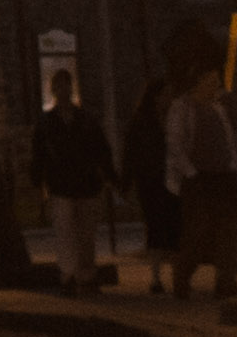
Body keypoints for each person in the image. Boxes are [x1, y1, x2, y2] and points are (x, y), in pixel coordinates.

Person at [166, 62, 237, 301]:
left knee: (227, 230)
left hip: (222, 176)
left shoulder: (218, 108)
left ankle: (226, 280)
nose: (216, 86)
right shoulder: (183, 108)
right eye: (211, 80)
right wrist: (191, 172)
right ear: (199, 81)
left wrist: (233, 166)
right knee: (198, 230)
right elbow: (175, 144)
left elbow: (227, 140)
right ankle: (182, 275)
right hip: (199, 178)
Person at [30, 69, 116, 294]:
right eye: (59, 87)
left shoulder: (85, 119)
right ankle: (69, 274)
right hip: (61, 184)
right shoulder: (47, 123)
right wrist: (37, 183)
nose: (64, 91)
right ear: (54, 90)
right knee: (66, 230)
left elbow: (101, 150)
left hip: (85, 183)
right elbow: (39, 154)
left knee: (86, 233)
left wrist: (109, 176)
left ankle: (86, 274)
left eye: (66, 86)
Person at [121, 73, 179, 293]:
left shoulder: (173, 119)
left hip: (171, 180)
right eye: (166, 94)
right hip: (151, 181)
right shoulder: (142, 123)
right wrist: (126, 183)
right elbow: (131, 154)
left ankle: (176, 276)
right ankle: (156, 277)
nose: (170, 98)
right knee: (156, 228)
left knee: (174, 228)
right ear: (156, 97)